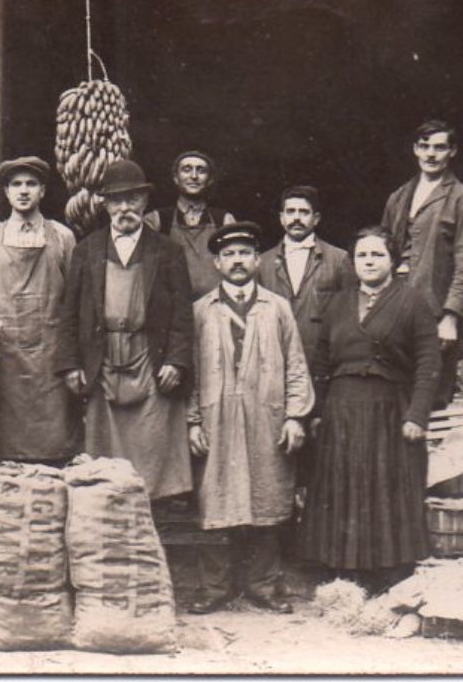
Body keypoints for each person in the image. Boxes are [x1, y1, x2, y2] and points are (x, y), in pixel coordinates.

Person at [299, 226, 442, 590]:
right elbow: (320, 362)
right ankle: (344, 573)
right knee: (343, 487)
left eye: (377, 254)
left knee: (384, 487)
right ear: (353, 262)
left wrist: (417, 415)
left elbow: (429, 363)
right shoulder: (337, 304)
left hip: (389, 409)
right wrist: (315, 412)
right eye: (362, 255)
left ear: (393, 261)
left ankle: (387, 575)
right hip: (341, 409)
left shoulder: (412, 302)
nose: (369, 261)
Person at [186, 221, 315, 614]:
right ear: (217, 263)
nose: (237, 261)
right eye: (229, 254)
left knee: (268, 496)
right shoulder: (200, 311)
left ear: (258, 260)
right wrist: (193, 421)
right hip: (217, 417)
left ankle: (263, 585)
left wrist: (295, 416)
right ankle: (215, 586)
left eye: (244, 253)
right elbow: (188, 371)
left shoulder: (277, 308)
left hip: (267, 417)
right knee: (215, 498)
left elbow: (295, 364)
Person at [54, 159, 195, 501]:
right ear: (105, 205)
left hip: (150, 357)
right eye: (116, 200)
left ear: (144, 202)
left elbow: (181, 314)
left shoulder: (167, 250)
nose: (125, 208)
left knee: (153, 441)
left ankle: (154, 510)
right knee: (105, 455)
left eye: (132, 199)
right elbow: (69, 311)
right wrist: (71, 364)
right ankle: (110, 510)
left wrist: (176, 361)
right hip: (103, 360)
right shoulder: (87, 250)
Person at [0, 156, 78, 465]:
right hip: (7, 355)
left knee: (57, 450)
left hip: (52, 357)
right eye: (16, 184)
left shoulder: (63, 237)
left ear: (42, 191)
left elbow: (78, 299)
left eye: (31, 184)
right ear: (6, 192)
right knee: (9, 454)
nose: (23, 191)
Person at [381, 120, 463, 404]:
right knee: (392, 390)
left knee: (431, 397)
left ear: (452, 151)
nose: (431, 154)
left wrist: (451, 317)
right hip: (393, 306)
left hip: (433, 311)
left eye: (439, 148)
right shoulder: (399, 197)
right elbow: (383, 251)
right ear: (415, 149)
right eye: (424, 146)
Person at [255, 186, 354, 375]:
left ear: (316, 218)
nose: (297, 218)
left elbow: (349, 316)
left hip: (322, 363)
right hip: (274, 360)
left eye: (304, 212)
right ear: (281, 218)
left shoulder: (340, 259)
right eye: (290, 211)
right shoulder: (262, 262)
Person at [146, 150, 237, 300]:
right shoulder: (157, 220)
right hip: (172, 311)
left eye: (201, 171)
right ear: (176, 178)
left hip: (215, 308)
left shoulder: (225, 220)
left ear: (210, 180)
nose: (194, 176)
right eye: (187, 170)